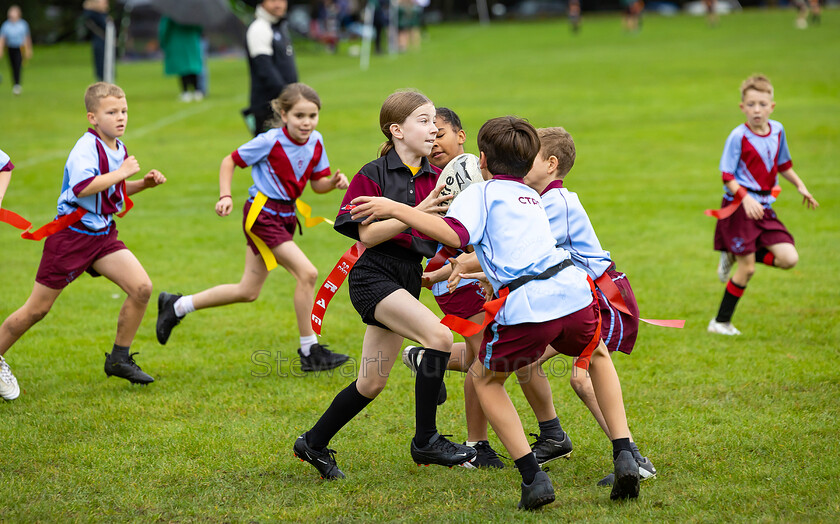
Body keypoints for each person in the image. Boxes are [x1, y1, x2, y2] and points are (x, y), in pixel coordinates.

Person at [348, 116, 641, 508]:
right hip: (575, 295)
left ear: (481, 158)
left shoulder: (481, 193)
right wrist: (474, 270)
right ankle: (625, 453)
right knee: (597, 353)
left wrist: (396, 209)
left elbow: (455, 235)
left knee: (485, 379)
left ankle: (533, 478)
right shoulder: (533, 195)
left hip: (530, 305)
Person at [292, 90, 477, 482]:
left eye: (435, 123)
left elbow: (453, 235)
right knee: (439, 337)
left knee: (371, 381)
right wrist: (415, 213)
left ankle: (313, 442)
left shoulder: (438, 178)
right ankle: (426, 439)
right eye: (424, 121)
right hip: (373, 273)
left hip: (408, 276)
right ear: (397, 130)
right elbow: (368, 236)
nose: (433, 129)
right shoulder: (372, 174)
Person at [156, 83, 350, 371]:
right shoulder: (269, 141)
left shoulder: (316, 141)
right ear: (283, 114)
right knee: (307, 273)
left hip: (285, 215)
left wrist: (332, 183)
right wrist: (225, 195)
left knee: (248, 290)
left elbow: (317, 184)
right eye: (299, 115)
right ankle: (310, 351)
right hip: (262, 215)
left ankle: (177, 305)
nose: (307, 122)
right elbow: (229, 161)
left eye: (312, 115)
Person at [0, 82, 167, 401]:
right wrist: (122, 173)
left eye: (124, 111)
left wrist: (142, 184)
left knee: (142, 288)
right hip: (71, 238)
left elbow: (111, 192)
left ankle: (119, 358)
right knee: (37, 310)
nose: (121, 118)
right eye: (112, 112)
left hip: (102, 235)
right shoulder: (86, 148)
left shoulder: (118, 147)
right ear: (92, 117)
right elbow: (82, 188)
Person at [518, 126, 656, 485]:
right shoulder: (539, 200)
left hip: (601, 299)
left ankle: (634, 459)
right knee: (525, 361)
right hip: (576, 300)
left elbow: (526, 248)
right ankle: (553, 437)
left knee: (581, 379)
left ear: (550, 164)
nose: (519, 164)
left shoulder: (557, 203)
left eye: (528, 157)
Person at [408, 107, 506, 468]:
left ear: (461, 135)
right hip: (451, 277)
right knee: (484, 359)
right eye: (429, 136)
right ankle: (476, 445)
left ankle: (425, 360)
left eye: (442, 133)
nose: (434, 143)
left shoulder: (475, 174)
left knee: (489, 355)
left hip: (476, 273)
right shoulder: (430, 183)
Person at [709, 74, 818, 336]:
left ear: (772, 106)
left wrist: (800, 185)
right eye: (751, 104)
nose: (756, 110)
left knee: (789, 258)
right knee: (747, 270)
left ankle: (735, 251)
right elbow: (727, 176)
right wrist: (745, 198)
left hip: (765, 207)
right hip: (740, 207)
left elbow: (784, 165)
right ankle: (720, 322)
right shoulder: (738, 136)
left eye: (762, 104)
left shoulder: (778, 130)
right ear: (742, 107)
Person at [245, 0, 299, 137]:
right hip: (267, 108)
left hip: (284, 105)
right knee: (270, 156)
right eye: (273, 0)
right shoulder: (259, 28)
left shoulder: (279, 26)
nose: (278, 4)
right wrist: (288, 95)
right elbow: (265, 69)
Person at [158, 16, 204, 102]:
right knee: (193, 66)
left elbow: (164, 29)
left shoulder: (171, 12)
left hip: (178, 41)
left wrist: (163, 43)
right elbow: (200, 27)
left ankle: (186, 91)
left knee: (183, 68)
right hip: (192, 41)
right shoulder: (194, 12)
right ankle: (197, 90)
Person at [0, 5, 32, 95]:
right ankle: (15, 84)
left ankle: (17, 85)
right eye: (11, 12)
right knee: (12, 66)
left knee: (18, 65)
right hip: (10, 48)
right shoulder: (6, 25)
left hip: (19, 48)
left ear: (18, 14)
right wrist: (0, 50)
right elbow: (2, 38)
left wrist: (28, 50)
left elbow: (26, 38)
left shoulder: (23, 24)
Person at [82, 0, 110, 81]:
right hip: (99, 40)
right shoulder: (92, 14)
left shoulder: (102, 14)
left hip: (104, 40)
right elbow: (103, 26)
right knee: (101, 61)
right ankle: (101, 79)